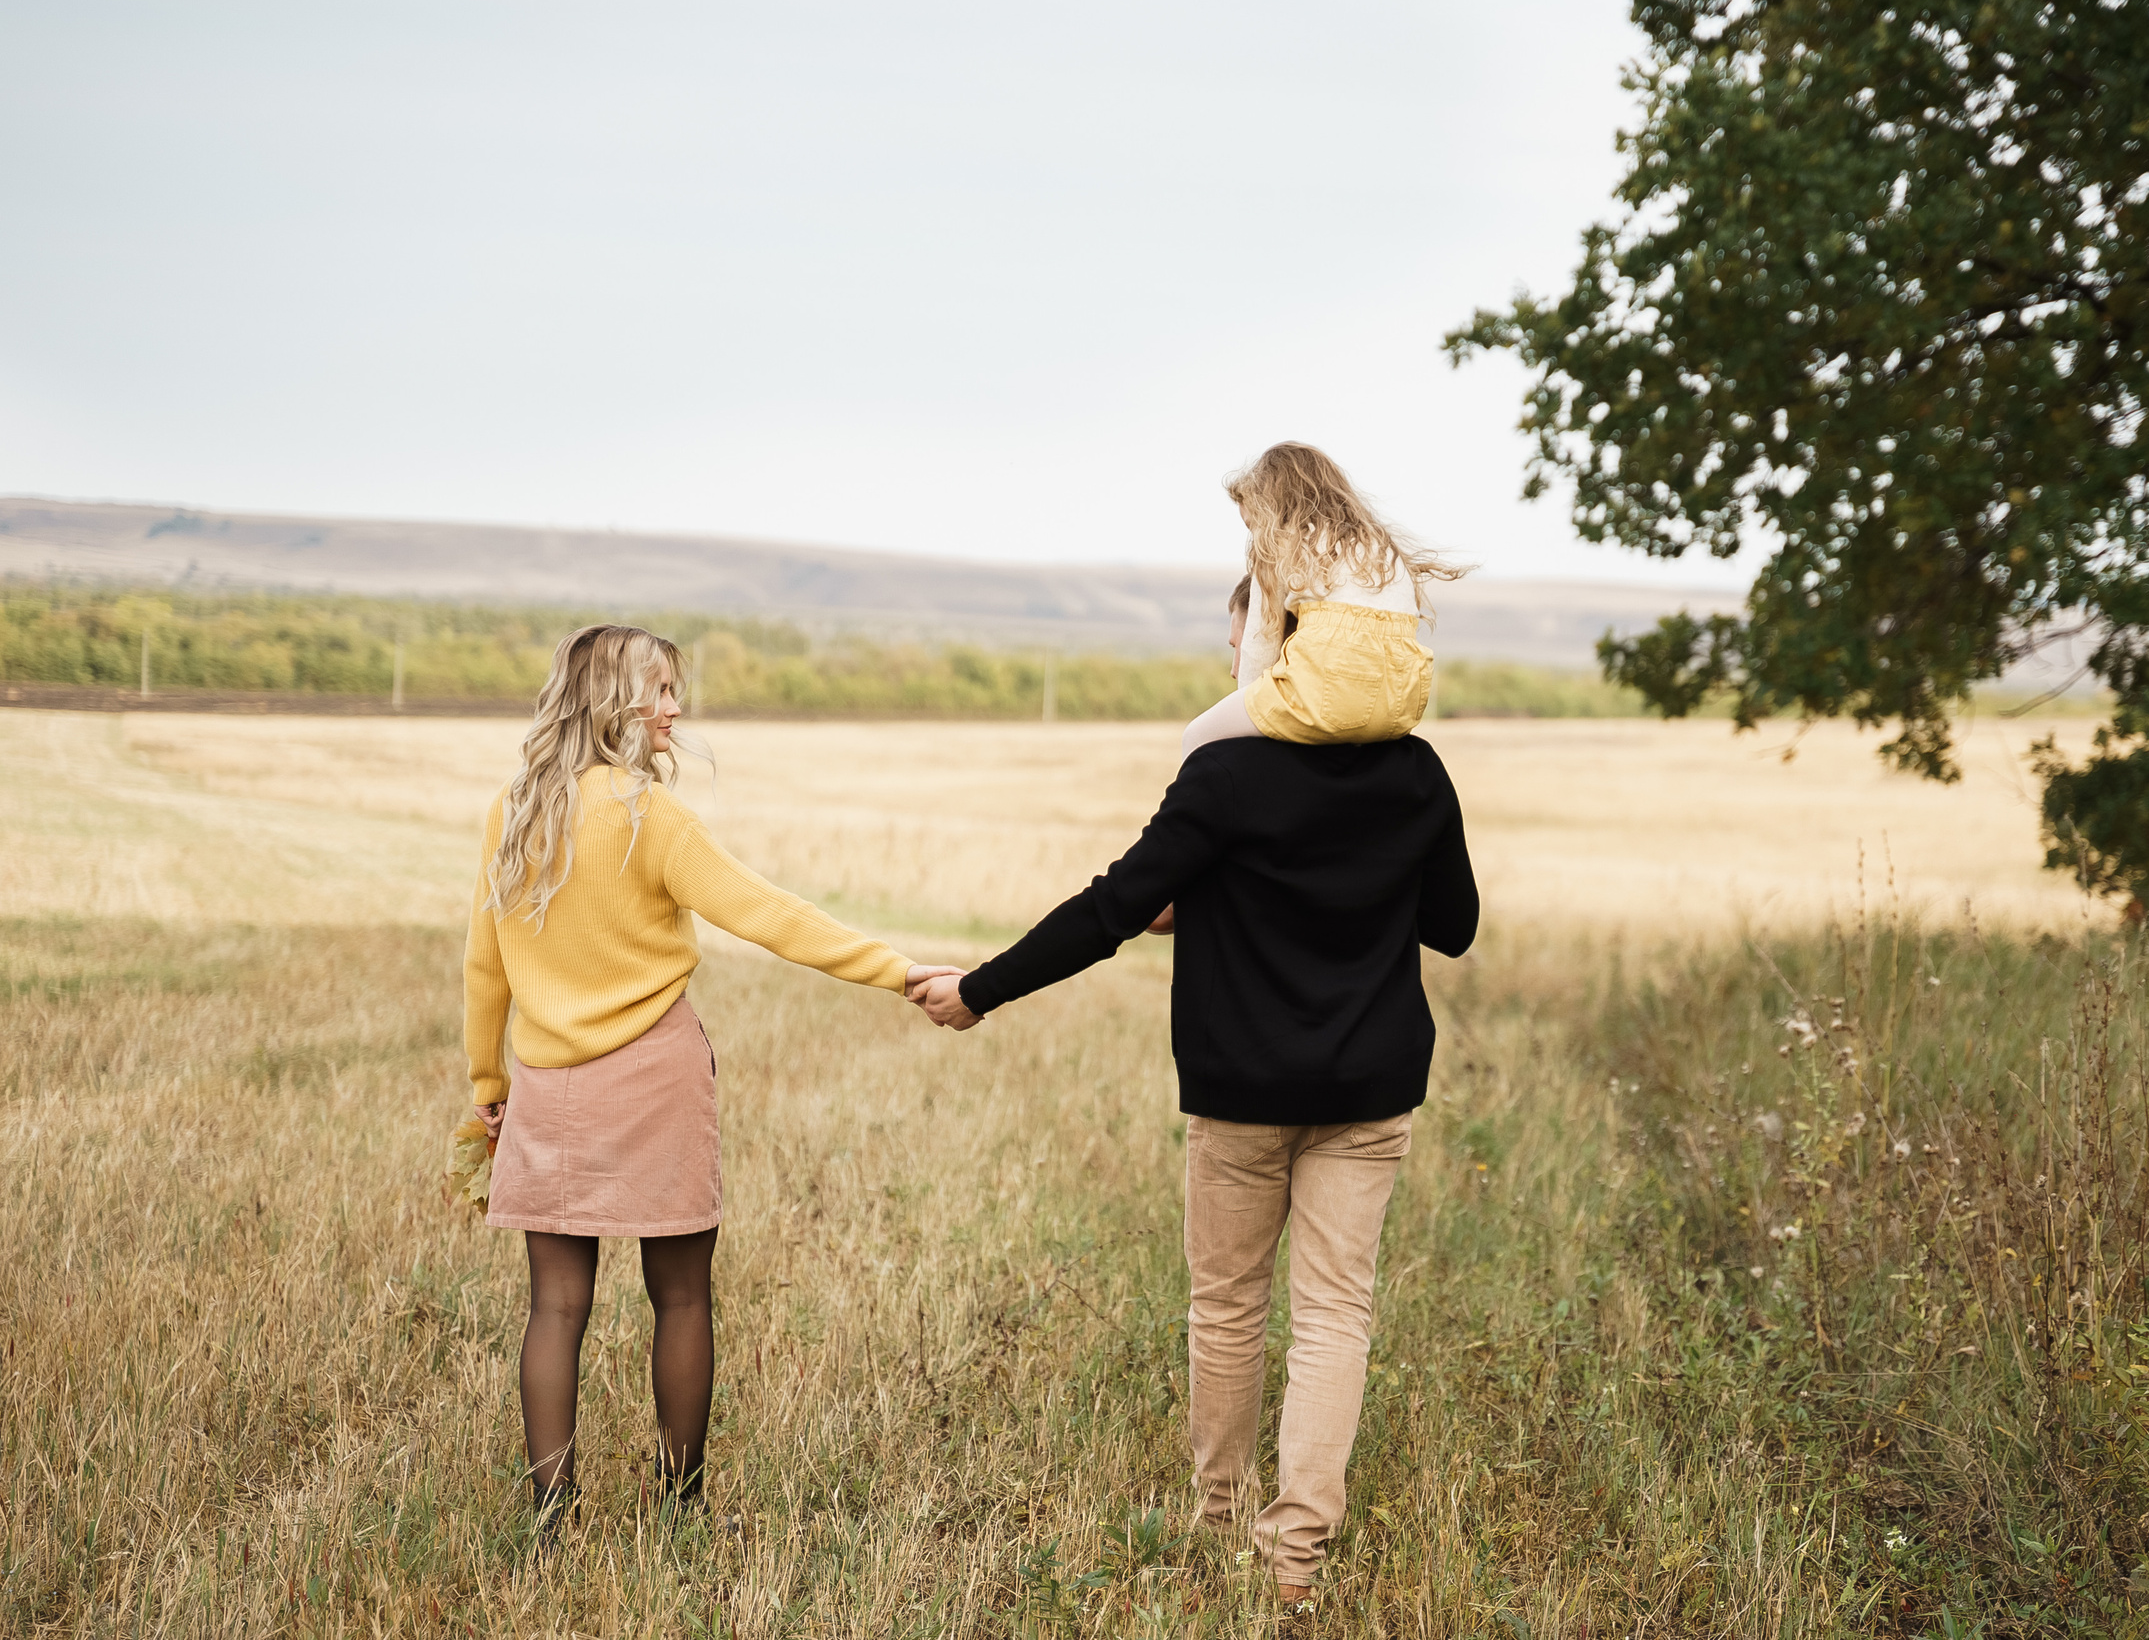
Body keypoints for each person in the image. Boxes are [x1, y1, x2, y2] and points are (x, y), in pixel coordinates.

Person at [911, 661, 1480, 1608]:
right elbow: (1453, 926)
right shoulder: (1415, 770)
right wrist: (1354, 884)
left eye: (1239, 640)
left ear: (1281, 646)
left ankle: (1218, 1524)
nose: (1231, 664)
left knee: (1227, 1307)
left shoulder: (1222, 771)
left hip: (1242, 1085)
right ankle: (1295, 1561)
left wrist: (980, 989)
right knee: (1336, 1312)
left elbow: (1111, 909)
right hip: (1371, 1085)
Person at [464, 624, 958, 1539]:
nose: (674, 710)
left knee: (554, 1306)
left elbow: (483, 963)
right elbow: (771, 915)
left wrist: (489, 1078)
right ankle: (680, 1516)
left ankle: (549, 1517)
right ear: (617, 701)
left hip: (548, 1085)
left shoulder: (515, 809)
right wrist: (896, 969)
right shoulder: (653, 819)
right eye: (661, 692)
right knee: (682, 1297)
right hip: (654, 1073)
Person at [1177, 443, 1464, 761]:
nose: (1254, 535)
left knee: (1198, 735)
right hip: (1398, 706)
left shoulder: (1282, 543)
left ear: (1271, 508)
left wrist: (1248, 706)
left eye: (1251, 524)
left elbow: (1262, 639)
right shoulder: (1383, 550)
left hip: (1323, 695)